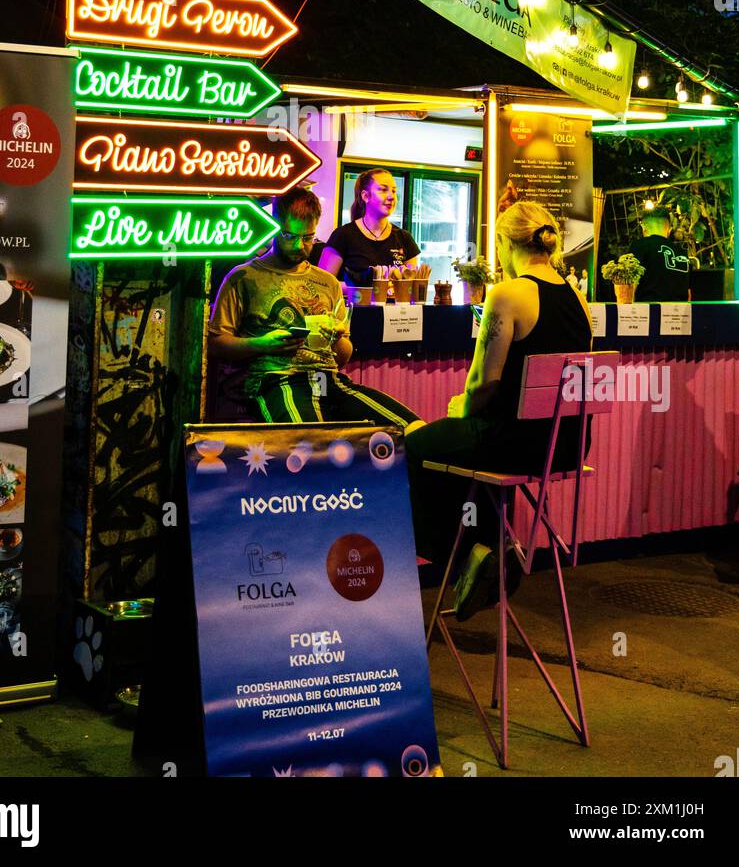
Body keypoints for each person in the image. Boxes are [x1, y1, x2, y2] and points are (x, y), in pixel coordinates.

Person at [406, 200, 592, 617]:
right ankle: (489, 546)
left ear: (507, 244)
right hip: (567, 446)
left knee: (414, 447)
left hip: (513, 442)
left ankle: (463, 562)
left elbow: (483, 383)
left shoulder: (507, 294)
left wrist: (461, 407)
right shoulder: (579, 300)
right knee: (461, 451)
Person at [208, 184, 420, 429]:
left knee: (410, 429)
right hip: (274, 380)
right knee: (310, 442)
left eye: (308, 238)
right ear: (274, 230)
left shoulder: (328, 282)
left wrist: (337, 338)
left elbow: (342, 357)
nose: (300, 246)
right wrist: (261, 344)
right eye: (290, 236)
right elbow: (215, 345)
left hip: (330, 380)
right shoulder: (243, 277)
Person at [318, 168, 420, 286]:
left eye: (393, 191)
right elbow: (322, 284)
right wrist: (364, 288)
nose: (391, 196)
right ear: (365, 196)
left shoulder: (404, 238)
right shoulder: (343, 235)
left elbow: (412, 285)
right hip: (354, 303)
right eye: (383, 190)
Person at [629, 208, 692, 302]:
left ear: (643, 227)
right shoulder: (682, 253)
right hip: (679, 312)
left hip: (649, 312)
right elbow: (689, 293)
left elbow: (630, 284)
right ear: (669, 229)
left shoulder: (639, 246)